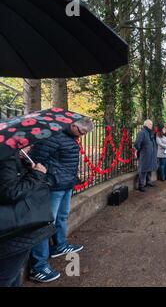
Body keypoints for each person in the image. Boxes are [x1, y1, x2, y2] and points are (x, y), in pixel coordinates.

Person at [28, 117, 94, 282]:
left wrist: (74, 175)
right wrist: (53, 173)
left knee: (62, 216)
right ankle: (38, 265)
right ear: (73, 126)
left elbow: (65, 160)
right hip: (54, 185)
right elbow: (36, 158)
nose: (82, 136)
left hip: (66, 184)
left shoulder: (71, 137)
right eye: (82, 132)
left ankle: (59, 245)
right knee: (46, 223)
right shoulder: (54, 136)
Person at [0, 148, 56, 287]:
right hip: (14, 228)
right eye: (25, 144)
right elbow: (12, 192)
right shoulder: (6, 158)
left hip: (14, 229)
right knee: (6, 276)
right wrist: (36, 174)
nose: (30, 147)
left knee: (13, 274)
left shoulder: (11, 157)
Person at [134, 120, 158, 192]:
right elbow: (137, 144)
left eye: (151, 124)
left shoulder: (149, 132)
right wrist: (142, 150)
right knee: (143, 170)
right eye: (150, 124)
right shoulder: (142, 132)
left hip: (151, 155)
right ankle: (141, 185)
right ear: (146, 124)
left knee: (149, 168)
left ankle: (148, 182)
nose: (151, 125)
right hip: (145, 155)